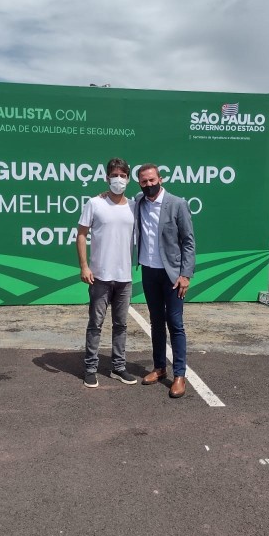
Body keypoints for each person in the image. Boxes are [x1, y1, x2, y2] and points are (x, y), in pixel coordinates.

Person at [135, 163, 195, 398]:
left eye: (152, 180)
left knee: (175, 323)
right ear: (139, 183)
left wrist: (185, 275)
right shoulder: (139, 202)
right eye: (144, 181)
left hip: (172, 275)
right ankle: (159, 368)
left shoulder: (177, 204)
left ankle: (179, 375)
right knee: (156, 322)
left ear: (160, 179)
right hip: (149, 272)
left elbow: (188, 242)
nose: (148, 184)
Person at [76, 157, 137, 388]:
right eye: (114, 175)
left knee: (121, 325)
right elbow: (81, 234)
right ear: (106, 178)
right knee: (95, 324)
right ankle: (90, 368)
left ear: (128, 179)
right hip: (100, 276)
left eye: (123, 175)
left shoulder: (134, 205)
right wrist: (84, 266)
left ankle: (118, 367)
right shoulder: (95, 203)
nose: (118, 179)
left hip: (125, 278)